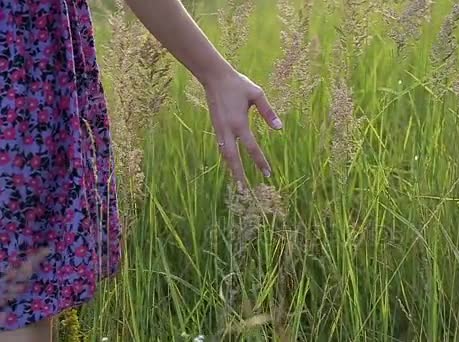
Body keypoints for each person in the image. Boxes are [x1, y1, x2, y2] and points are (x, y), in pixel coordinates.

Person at [0, 0, 281, 340]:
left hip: (25, 62)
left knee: (19, 288)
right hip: (23, 64)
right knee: (20, 292)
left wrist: (217, 74)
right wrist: (216, 72)